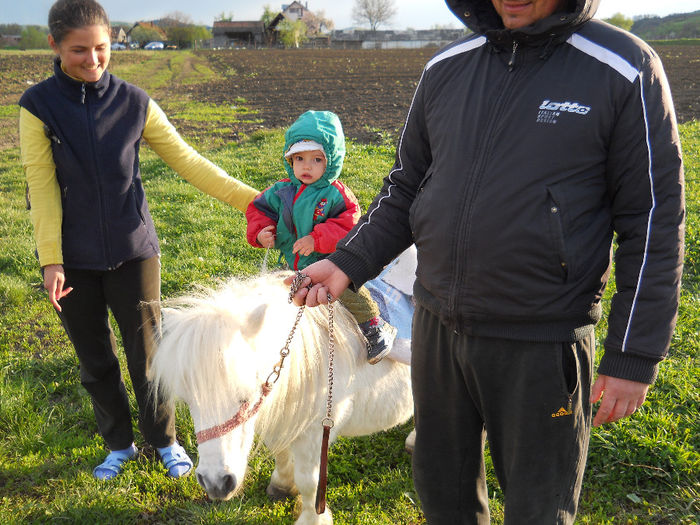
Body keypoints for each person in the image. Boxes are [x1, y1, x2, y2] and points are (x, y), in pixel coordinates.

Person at [287, 0, 685, 523]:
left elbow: (652, 220)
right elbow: (407, 185)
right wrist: (346, 262)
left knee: (538, 507)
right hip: (438, 328)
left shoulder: (622, 67)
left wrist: (633, 355)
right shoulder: (447, 67)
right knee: (443, 498)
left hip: (542, 339)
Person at [19, 0, 259, 481]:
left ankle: (165, 442)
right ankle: (119, 445)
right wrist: (51, 261)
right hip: (73, 261)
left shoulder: (135, 103)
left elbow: (190, 163)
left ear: (113, 43)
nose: (92, 60)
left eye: (102, 48)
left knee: (148, 358)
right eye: (78, 50)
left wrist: (258, 203)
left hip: (135, 253)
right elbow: (41, 187)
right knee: (95, 361)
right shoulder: (37, 107)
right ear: (54, 46)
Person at [246, 110, 397, 364]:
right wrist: (261, 232)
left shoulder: (335, 195)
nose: (307, 166)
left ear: (331, 161)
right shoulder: (281, 191)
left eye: (317, 159)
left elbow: (349, 223)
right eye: (300, 158)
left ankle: (374, 325)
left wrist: (317, 239)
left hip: (331, 262)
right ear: (290, 159)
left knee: (347, 292)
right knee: (280, 295)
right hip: (293, 262)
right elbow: (258, 210)